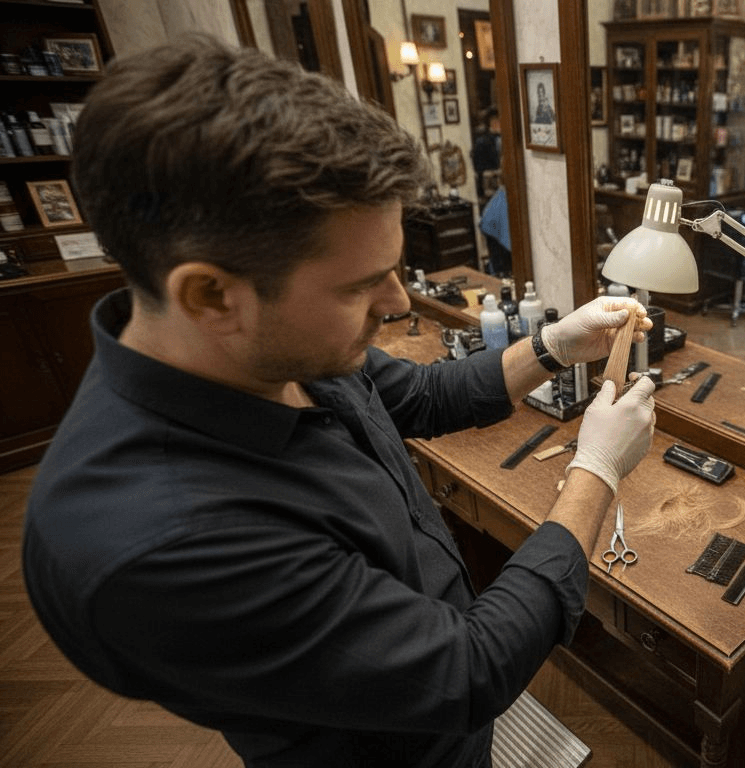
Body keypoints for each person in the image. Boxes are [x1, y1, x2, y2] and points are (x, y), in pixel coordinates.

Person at [22, 37, 657, 768]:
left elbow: (415, 394)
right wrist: (597, 470)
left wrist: (552, 344)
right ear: (210, 294)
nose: (396, 303)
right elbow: (467, 672)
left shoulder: (267, 348)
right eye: (361, 284)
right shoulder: (158, 547)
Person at [470, 106, 501, 201]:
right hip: (489, 189)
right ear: (489, 123)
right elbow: (478, 168)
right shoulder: (482, 141)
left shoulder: (508, 140)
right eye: (495, 121)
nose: (498, 123)